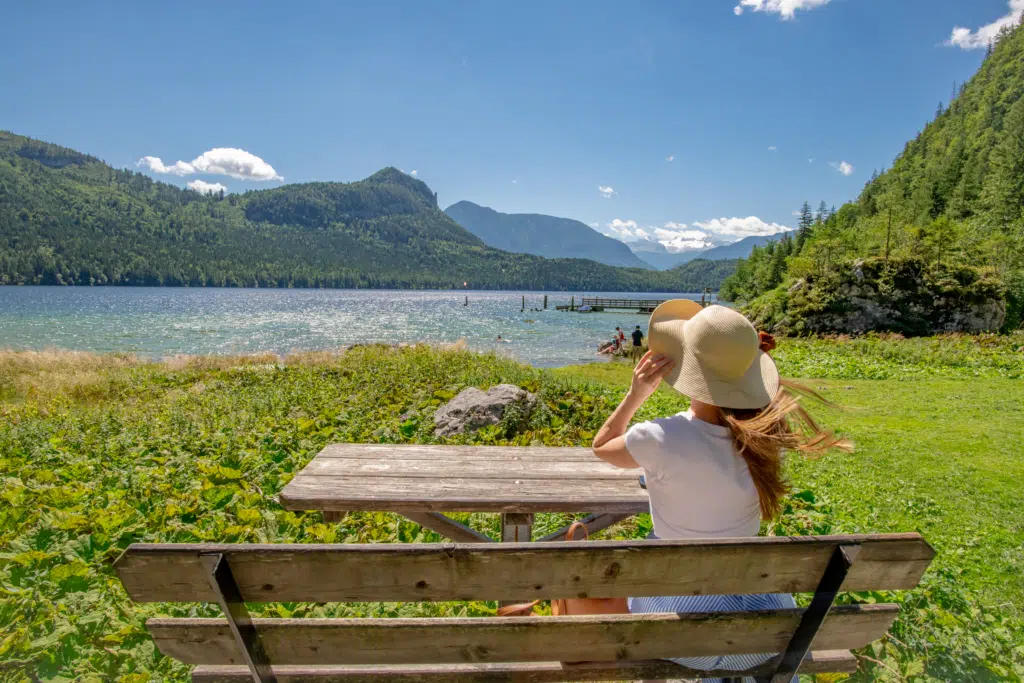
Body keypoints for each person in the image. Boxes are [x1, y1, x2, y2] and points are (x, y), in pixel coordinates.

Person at [591, 302, 849, 683]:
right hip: (763, 634)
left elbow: (603, 445)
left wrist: (637, 392)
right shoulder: (764, 442)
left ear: (683, 364)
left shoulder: (659, 439)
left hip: (683, 639)